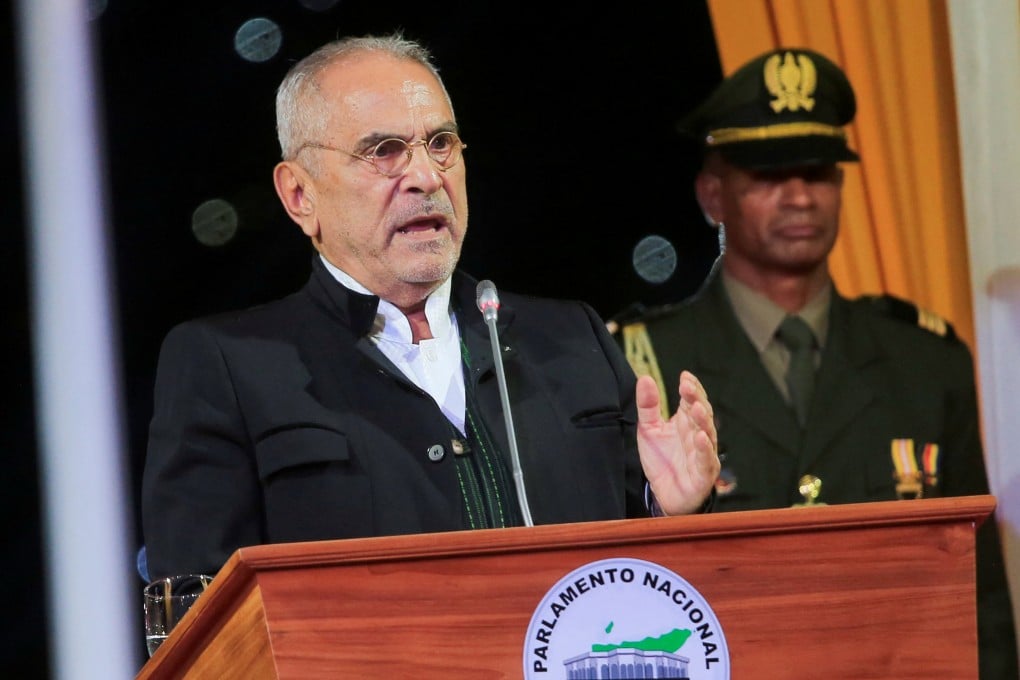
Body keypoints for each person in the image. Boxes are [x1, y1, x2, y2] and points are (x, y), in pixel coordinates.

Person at [141, 33, 719, 585]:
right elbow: (203, 623)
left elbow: (644, 592)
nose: (425, 176)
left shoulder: (572, 337)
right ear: (300, 194)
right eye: (383, 151)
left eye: (440, 144)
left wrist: (666, 512)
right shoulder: (229, 365)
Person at [617, 48, 1018, 678]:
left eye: (819, 172)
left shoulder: (925, 359)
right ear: (713, 195)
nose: (800, 196)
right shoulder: (642, 366)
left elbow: (978, 594)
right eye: (770, 175)